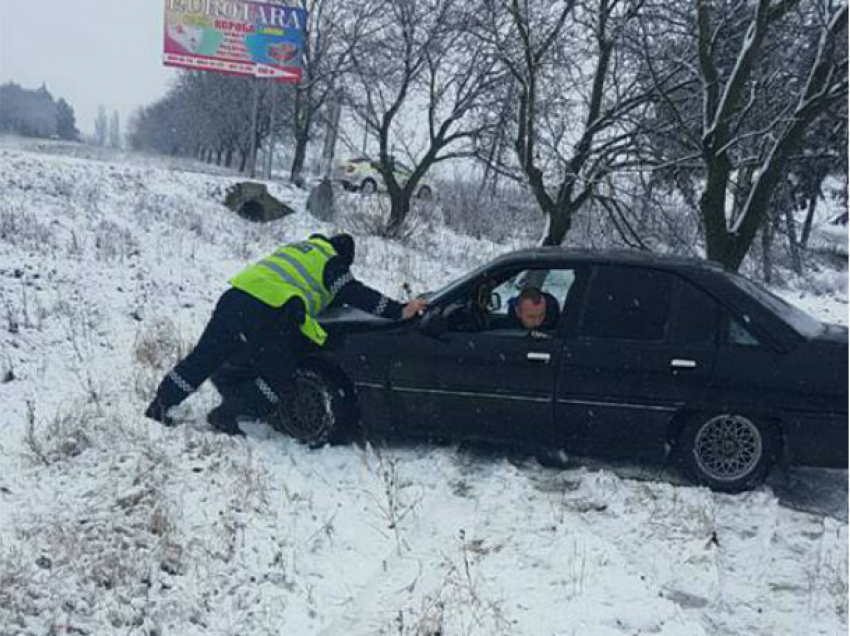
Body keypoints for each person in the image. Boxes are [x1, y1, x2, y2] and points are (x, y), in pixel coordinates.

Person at [144, 233, 427, 434]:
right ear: (344, 258)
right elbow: (353, 292)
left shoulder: (301, 249)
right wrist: (398, 310)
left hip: (236, 297)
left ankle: (159, 405)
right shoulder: (332, 262)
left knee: (205, 357)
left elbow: (312, 287)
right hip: (267, 310)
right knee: (278, 378)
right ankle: (226, 414)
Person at [491, 287, 560, 331]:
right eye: (531, 317)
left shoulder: (557, 328)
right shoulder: (501, 331)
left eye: (541, 315)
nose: (537, 323)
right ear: (518, 311)